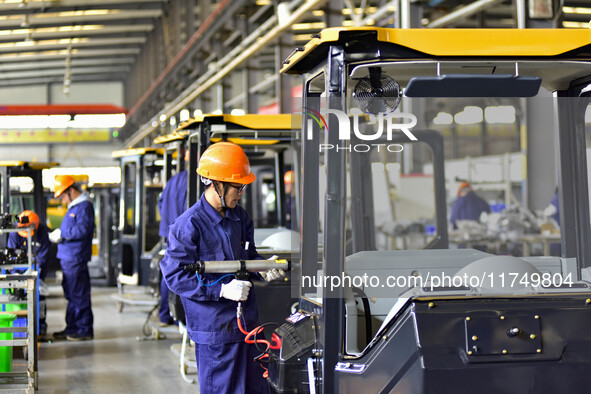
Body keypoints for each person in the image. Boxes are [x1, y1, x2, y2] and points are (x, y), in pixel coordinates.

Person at [160, 142, 283, 394]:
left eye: (243, 187)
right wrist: (221, 291)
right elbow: (174, 275)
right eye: (238, 187)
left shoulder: (240, 217)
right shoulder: (188, 226)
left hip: (248, 327)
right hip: (215, 332)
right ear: (217, 184)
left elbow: (247, 256)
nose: (241, 193)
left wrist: (262, 266)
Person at [49, 175, 95, 341]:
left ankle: (84, 330)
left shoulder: (84, 207)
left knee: (78, 294)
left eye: (62, 195)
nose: (62, 198)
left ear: (71, 190)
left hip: (76, 257)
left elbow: (81, 230)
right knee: (72, 294)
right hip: (69, 258)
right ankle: (72, 328)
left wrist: (62, 234)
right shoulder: (74, 206)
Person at [8, 210, 50, 335]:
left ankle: (41, 324)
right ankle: (21, 324)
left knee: (39, 297)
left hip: (37, 269)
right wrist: (14, 273)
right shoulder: (15, 232)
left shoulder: (43, 232)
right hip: (18, 270)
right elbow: (11, 254)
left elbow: (43, 256)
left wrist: (35, 270)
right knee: (17, 295)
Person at [157, 156, 188, 326]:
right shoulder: (195, 182)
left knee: (169, 272)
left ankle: (165, 315)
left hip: (170, 232)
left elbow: (160, 203)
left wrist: (169, 221)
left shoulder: (173, 180)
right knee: (185, 275)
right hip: (184, 234)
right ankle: (179, 319)